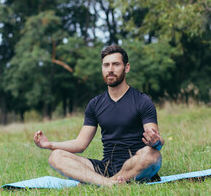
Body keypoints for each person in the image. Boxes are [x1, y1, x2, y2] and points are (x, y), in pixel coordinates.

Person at [34, 45, 164, 186]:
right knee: (56, 156)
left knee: (152, 155)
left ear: (126, 68)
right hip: (106, 167)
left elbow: (157, 140)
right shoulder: (95, 104)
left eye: (116, 64)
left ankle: (104, 182)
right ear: (102, 68)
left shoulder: (142, 101)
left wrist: (155, 142)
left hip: (135, 163)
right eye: (106, 65)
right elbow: (80, 144)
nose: (110, 69)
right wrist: (49, 144)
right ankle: (109, 183)